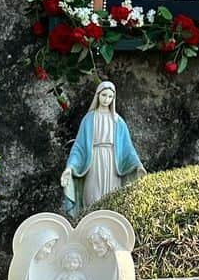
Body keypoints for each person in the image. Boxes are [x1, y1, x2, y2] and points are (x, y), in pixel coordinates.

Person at [60, 80, 144, 217]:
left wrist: (138, 165)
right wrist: (70, 167)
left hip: (112, 162)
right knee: (91, 195)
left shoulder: (118, 121)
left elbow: (128, 149)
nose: (107, 99)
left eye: (110, 97)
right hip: (94, 160)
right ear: (98, 95)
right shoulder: (89, 119)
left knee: (112, 196)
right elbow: (79, 147)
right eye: (104, 95)